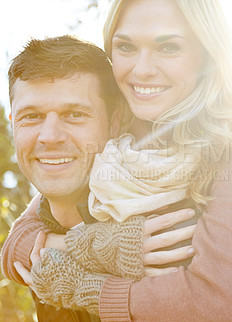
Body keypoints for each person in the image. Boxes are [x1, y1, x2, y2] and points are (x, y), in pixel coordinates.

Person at [2, 0, 232, 321]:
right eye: (126, 46)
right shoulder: (125, 126)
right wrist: (93, 245)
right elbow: (24, 235)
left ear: (207, 53)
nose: (142, 69)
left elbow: (227, 308)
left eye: (168, 47)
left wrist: (90, 288)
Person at [2, 35, 197, 321]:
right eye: (31, 116)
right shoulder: (42, 231)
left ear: (115, 121)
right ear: (12, 125)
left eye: (75, 114)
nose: (50, 137)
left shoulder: (161, 225)